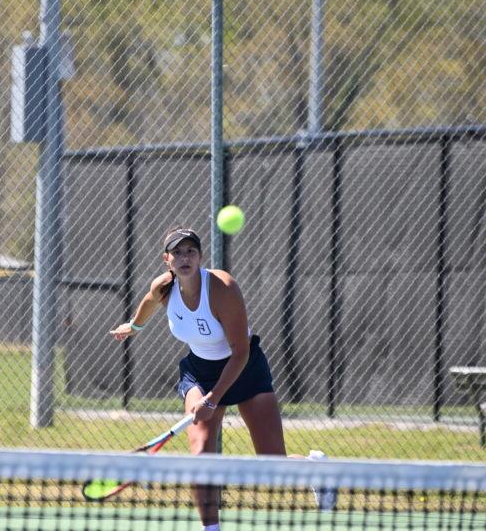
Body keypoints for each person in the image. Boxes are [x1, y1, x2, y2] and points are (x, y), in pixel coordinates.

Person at [110, 227, 336, 530]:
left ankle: (315, 471)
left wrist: (213, 399)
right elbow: (149, 302)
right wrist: (133, 327)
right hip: (199, 372)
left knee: (274, 467)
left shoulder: (222, 288)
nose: (185, 257)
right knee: (201, 453)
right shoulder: (164, 288)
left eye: (191, 251)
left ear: (201, 256)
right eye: (177, 252)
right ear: (167, 260)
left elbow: (240, 352)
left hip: (244, 369)